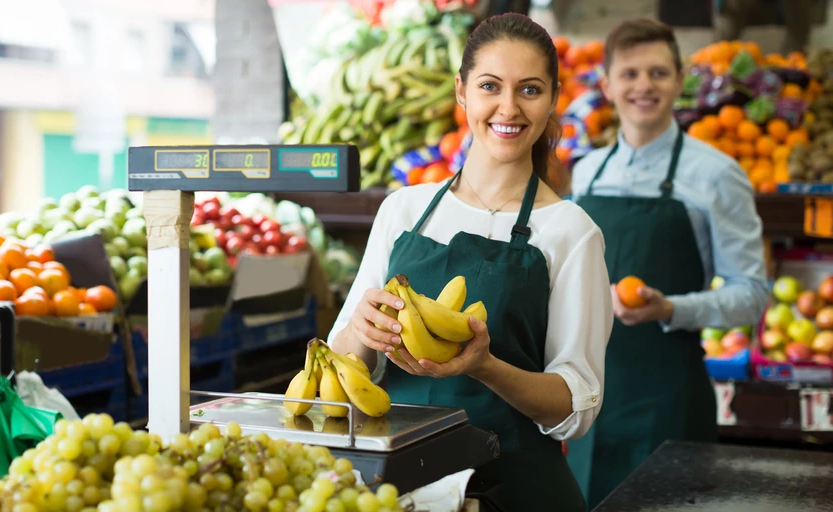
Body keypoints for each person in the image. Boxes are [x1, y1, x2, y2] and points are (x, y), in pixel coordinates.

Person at [327, 13, 613, 511]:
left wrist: (486, 367)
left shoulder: (571, 232)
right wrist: (361, 332)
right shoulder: (404, 211)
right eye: (489, 86)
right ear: (462, 92)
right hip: (401, 489)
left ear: (552, 99)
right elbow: (344, 359)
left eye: (529, 89)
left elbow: (577, 403)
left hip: (517, 489)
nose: (509, 107)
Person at [565, 18, 770, 509]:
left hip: (668, 402)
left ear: (680, 81)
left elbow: (752, 294)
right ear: (607, 84)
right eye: (630, 74)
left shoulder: (718, 174)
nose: (643, 86)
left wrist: (670, 308)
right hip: (584, 402)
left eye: (658, 73)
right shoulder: (587, 172)